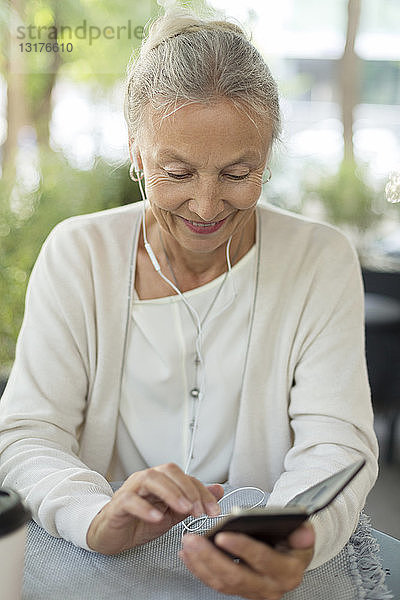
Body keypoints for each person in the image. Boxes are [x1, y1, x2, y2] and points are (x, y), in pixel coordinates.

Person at [0, 6, 378, 599]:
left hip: (261, 527)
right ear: (136, 152)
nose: (205, 206)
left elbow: (337, 445)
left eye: (237, 173)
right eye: (176, 172)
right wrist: (95, 517)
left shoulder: (319, 259)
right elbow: (27, 435)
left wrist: (290, 540)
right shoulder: (79, 253)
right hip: (109, 539)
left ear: (268, 156)